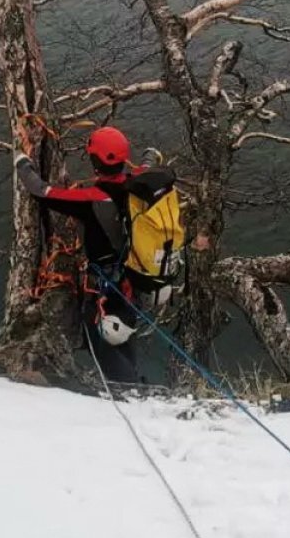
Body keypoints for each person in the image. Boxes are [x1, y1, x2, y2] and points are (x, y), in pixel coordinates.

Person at [13, 126, 174, 384]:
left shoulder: (90, 199)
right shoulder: (139, 186)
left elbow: (41, 191)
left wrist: (22, 161)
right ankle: (134, 383)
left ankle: (127, 390)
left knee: (102, 340)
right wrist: (149, 155)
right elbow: (148, 163)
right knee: (122, 330)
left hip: (103, 287)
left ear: (94, 161)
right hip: (134, 276)